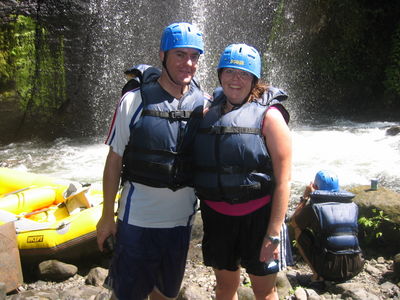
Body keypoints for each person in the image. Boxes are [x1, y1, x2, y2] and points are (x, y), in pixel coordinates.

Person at [96, 22, 209, 300]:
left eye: (194, 56)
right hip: (138, 219)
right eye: (180, 55)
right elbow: (114, 160)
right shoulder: (133, 101)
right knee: (126, 294)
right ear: (162, 55)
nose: (188, 63)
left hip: (181, 221)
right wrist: (106, 216)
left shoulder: (204, 103)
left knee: (166, 294)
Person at [193, 44, 292, 300]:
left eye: (244, 74)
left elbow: (284, 181)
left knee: (264, 290)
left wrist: (273, 233)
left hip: (258, 218)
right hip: (217, 217)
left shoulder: (270, 117)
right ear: (220, 75)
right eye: (229, 72)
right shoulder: (207, 113)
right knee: (225, 287)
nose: (236, 80)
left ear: (254, 80)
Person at [290, 170, 364, 288]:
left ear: (314, 187)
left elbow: (294, 222)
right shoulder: (352, 205)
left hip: (329, 270)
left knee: (299, 231)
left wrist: (305, 197)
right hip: (355, 267)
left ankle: (317, 277)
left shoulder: (314, 207)